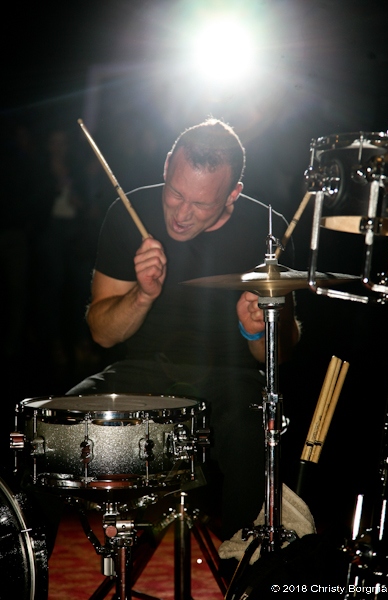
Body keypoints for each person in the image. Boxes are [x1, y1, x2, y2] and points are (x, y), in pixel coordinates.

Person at [67, 118, 300, 541]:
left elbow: (279, 355)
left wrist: (258, 331)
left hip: (233, 376)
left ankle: (242, 564)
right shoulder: (128, 212)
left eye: (200, 204)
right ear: (167, 165)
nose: (180, 213)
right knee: (60, 428)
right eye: (175, 193)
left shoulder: (268, 229)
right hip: (143, 369)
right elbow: (102, 333)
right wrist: (142, 296)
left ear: (232, 194)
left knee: (250, 431)